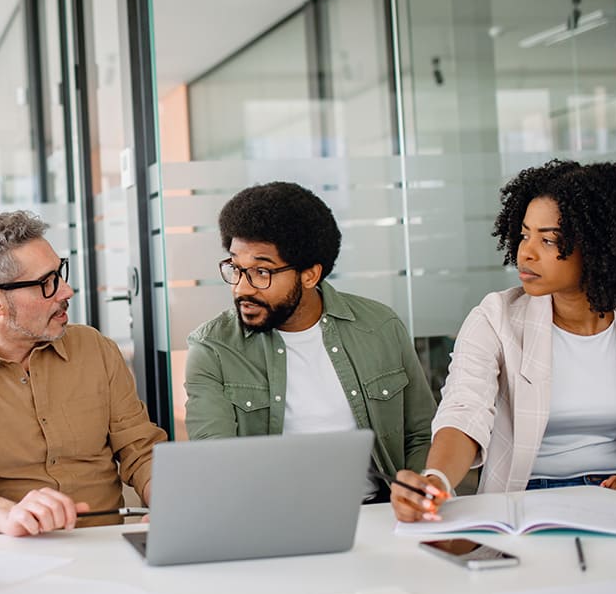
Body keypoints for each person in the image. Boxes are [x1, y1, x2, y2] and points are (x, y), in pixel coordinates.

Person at [392, 160, 616, 523]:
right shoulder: (495, 318)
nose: (525, 253)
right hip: (527, 500)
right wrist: (435, 480)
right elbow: (465, 410)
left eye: (548, 240)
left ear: (600, 249)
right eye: (524, 234)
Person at [0, 210, 166, 536]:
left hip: (106, 543)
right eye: (47, 283)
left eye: (60, 273)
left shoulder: (95, 349)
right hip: (13, 552)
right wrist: (7, 514)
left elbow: (140, 448)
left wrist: (165, 499)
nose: (66, 291)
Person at [184, 182, 434, 502]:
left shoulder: (381, 327)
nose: (241, 289)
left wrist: (415, 491)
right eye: (236, 267)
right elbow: (215, 460)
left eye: (262, 271)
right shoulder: (213, 349)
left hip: (379, 513)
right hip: (272, 517)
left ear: (310, 275)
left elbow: (421, 434)